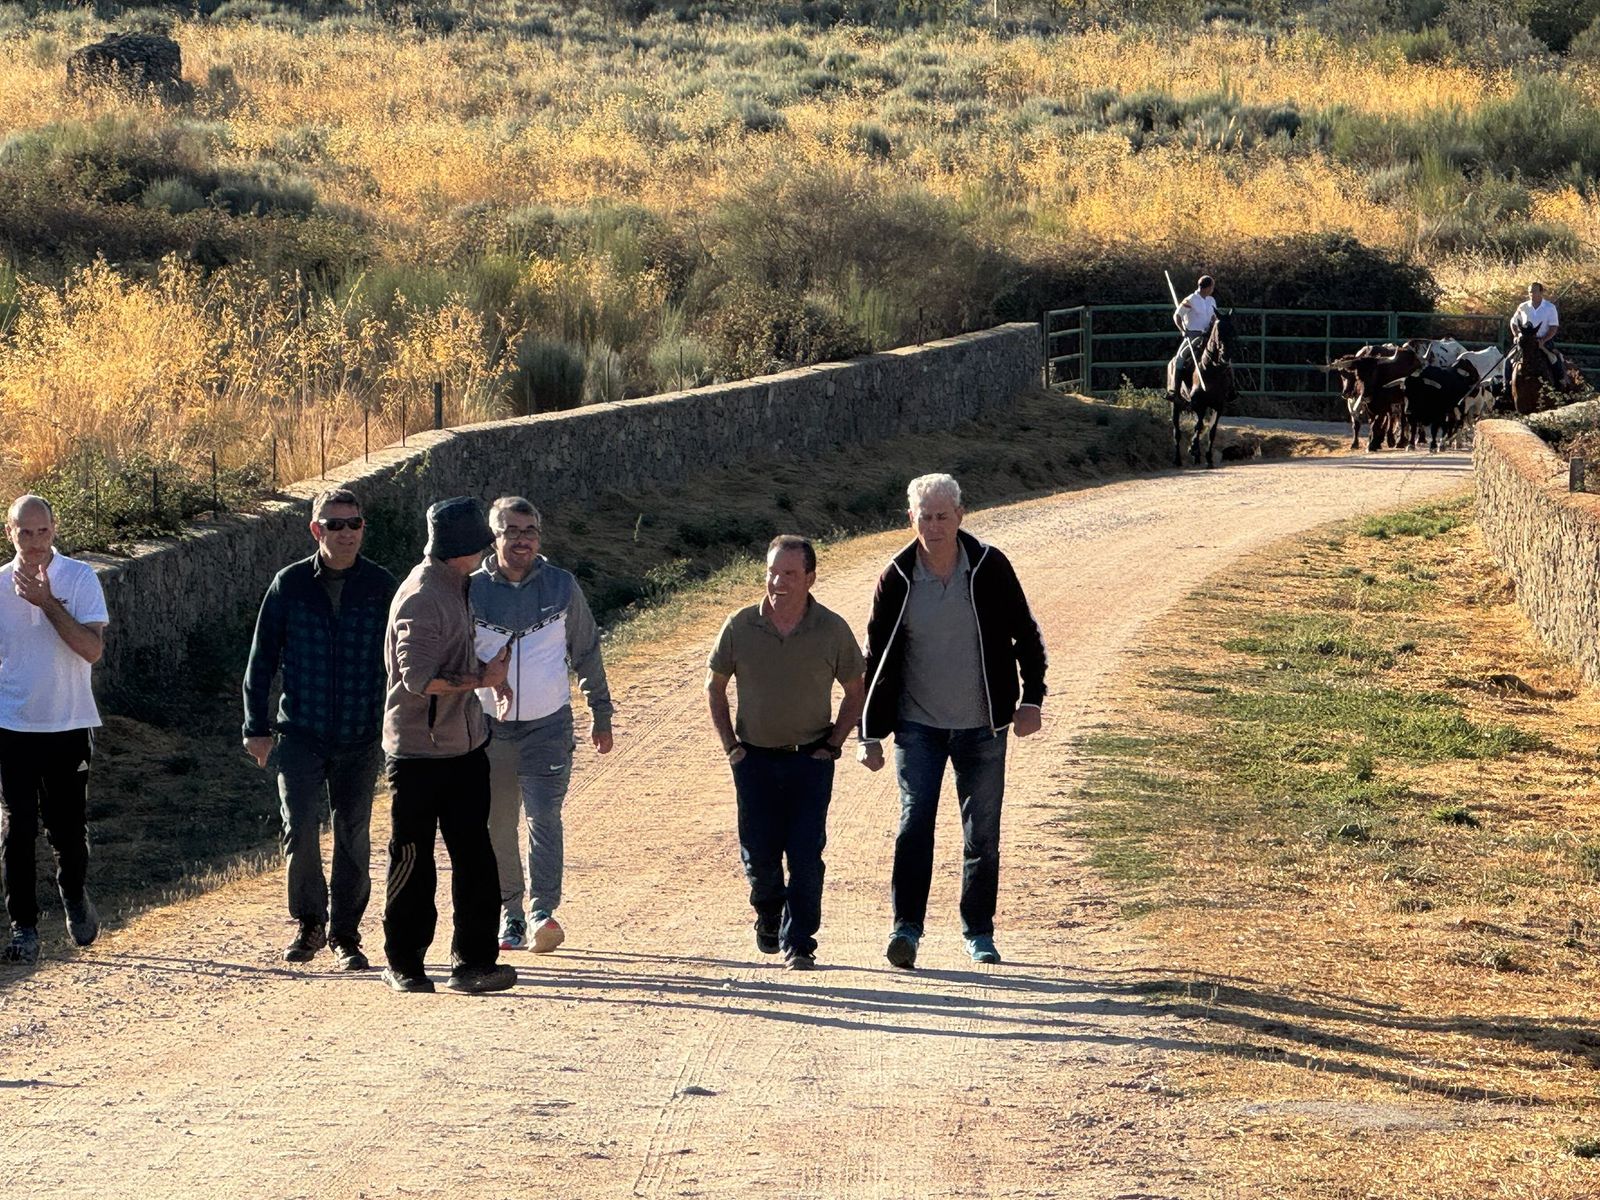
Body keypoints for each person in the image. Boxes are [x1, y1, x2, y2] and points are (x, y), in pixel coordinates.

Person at [859, 474, 1047, 969]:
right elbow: (874, 658)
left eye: (943, 516)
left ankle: (978, 932)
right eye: (925, 517)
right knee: (913, 825)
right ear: (911, 519)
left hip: (983, 726)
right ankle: (906, 930)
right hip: (917, 726)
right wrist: (868, 733)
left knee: (981, 835)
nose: (935, 527)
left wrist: (1031, 699)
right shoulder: (896, 577)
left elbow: (1027, 635)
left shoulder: (989, 566)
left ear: (961, 516)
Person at [242, 487, 398, 969]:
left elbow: (400, 660)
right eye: (335, 524)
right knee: (301, 829)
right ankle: (310, 923)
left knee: (353, 835)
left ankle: (346, 936)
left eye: (354, 524)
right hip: (300, 732)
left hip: (360, 733)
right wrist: (255, 727)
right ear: (316, 529)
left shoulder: (382, 586)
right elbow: (261, 660)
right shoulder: (289, 585)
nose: (346, 533)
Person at [707, 536, 865, 971]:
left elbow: (856, 690)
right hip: (753, 760)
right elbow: (714, 687)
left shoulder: (832, 629)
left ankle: (800, 942)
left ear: (810, 578)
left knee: (805, 855)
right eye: (772, 572)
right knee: (759, 855)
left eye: (790, 574)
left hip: (809, 761)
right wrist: (731, 747)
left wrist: (833, 744)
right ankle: (769, 911)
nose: (778, 582)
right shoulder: (740, 625)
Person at [380, 496, 516, 995]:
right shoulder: (422, 596)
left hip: (464, 747)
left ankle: (473, 964)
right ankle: (405, 965)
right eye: (481, 543)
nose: (487, 551)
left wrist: (487, 678)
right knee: (413, 860)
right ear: (462, 548)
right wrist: (484, 678)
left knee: (475, 858)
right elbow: (417, 680)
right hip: (417, 754)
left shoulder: (457, 584)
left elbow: (450, 660)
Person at [471, 496, 615, 955]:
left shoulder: (561, 586)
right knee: (497, 824)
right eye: (512, 531)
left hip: (548, 727)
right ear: (493, 538)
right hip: (488, 729)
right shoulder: (471, 589)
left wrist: (601, 713)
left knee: (543, 818)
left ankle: (542, 913)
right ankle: (510, 913)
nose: (522, 540)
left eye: (530, 531)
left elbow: (586, 650)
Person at [0, 495, 108, 964]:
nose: (34, 542)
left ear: (54, 528)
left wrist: (46, 603)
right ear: (10, 533)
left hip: (69, 723)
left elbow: (91, 650)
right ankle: (23, 928)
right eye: (24, 532)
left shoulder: (80, 578)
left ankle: (74, 894)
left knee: (66, 829)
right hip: (11, 726)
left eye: (42, 531)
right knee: (16, 829)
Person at [1167, 275, 1217, 398]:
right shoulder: (1190, 300)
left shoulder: (1211, 300)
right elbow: (1177, 316)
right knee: (1180, 358)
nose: (1213, 289)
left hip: (1209, 335)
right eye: (1212, 287)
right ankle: (1175, 391)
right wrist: (1183, 330)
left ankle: (1230, 389)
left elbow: (1214, 317)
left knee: (1224, 356)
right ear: (1207, 288)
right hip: (1193, 335)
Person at [1510, 281, 1563, 389]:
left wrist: (1543, 340)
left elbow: (1553, 328)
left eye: (1534, 291)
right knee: (1508, 360)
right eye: (1530, 292)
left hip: (1543, 341)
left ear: (1541, 292)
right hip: (1525, 342)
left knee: (1554, 360)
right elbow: (1513, 322)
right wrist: (1516, 335)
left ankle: (1559, 385)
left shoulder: (1550, 307)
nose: (1531, 294)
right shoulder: (1523, 306)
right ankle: (1506, 386)